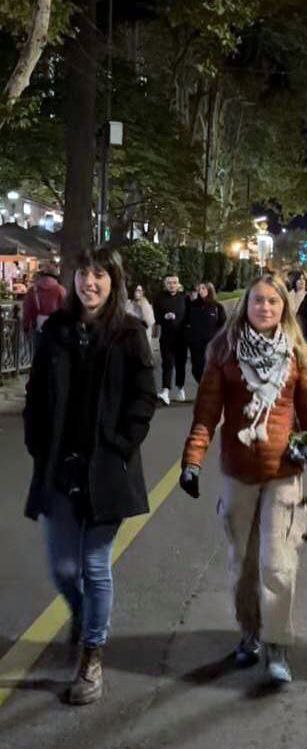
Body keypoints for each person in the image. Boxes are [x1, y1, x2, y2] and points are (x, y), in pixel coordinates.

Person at [180, 273, 307, 685]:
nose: (265, 308)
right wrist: (192, 461)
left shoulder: (300, 356)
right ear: (245, 306)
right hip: (238, 473)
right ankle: (249, 633)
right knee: (243, 563)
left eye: (273, 302)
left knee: (278, 564)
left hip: (284, 473)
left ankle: (276, 644)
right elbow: (207, 413)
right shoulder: (223, 352)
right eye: (258, 301)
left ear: (285, 308)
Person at [23, 247, 157, 705]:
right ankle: (83, 616)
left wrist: (121, 444)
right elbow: (36, 392)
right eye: (84, 274)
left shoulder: (129, 333)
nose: (91, 283)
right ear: (74, 279)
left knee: (95, 566)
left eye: (100, 275)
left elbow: (144, 396)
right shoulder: (56, 331)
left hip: (108, 469)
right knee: (63, 568)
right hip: (60, 466)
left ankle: (92, 656)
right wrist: (38, 443)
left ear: (114, 281)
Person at [154, 275, 189, 405]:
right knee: (167, 363)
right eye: (169, 283)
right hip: (167, 336)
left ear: (178, 284)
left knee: (181, 363)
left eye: (174, 282)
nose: (172, 285)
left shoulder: (184, 297)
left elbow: (188, 315)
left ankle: (180, 388)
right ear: (165, 284)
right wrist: (164, 316)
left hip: (181, 336)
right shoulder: (159, 298)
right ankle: (165, 391)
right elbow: (156, 316)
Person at [22, 262, 66, 352]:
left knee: (38, 353)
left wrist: (26, 327)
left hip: (38, 326)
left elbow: (27, 309)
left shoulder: (33, 290)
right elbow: (65, 310)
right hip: (56, 327)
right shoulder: (60, 290)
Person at [187, 282, 226, 383]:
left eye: (203, 288)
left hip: (211, 343)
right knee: (197, 369)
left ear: (209, 290)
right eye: (199, 289)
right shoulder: (192, 306)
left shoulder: (217, 307)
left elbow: (223, 325)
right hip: (196, 344)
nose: (201, 291)